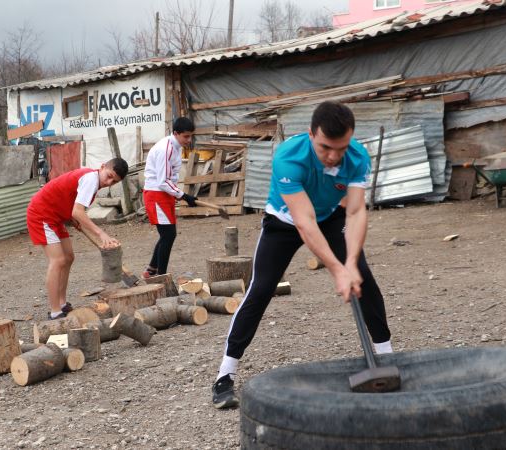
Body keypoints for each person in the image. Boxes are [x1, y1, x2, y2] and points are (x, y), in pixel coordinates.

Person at [211, 101, 393, 409]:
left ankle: (388, 360)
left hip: (331, 216)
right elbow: (304, 222)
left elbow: (357, 209)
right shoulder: (288, 157)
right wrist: (337, 270)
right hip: (284, 221)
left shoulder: (358, 156)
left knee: (365, 280)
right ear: (310, 134)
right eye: (325, 148)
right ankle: (224, 376)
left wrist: (350, 263)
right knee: (261, 288)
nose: (334, 156)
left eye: (341, 148)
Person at [27, 158, 128, 320]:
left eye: (114, 182)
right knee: (58, 260)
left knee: (68, 257)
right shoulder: (91, 179)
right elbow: (78, 212)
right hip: (42, 214)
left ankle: (62, 303)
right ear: (102, 167)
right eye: (109, 176)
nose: (109, 182)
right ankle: (55, 312)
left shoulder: (93, 181)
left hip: (57, 216)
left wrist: (75, 219)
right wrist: (101, 234)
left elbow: (74, 209)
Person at [142, 117, 198, 278]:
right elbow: (162, 181)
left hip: (165, 194)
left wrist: (180, 195)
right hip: (156, 194)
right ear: (176, 133)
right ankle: (161, 276)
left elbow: (169, 179)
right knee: (168, 235)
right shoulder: (165, 148)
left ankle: (151, 270)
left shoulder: (177, 146)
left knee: (167, 234)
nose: (189, 139)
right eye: (186, 136)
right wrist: (184, 195)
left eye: (190, 136)